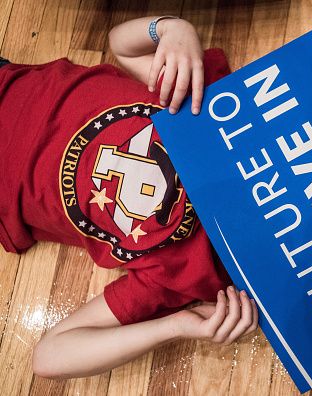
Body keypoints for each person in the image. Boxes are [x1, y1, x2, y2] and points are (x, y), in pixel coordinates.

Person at [0, 16, 259, 379]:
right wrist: (172, 29)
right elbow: (121, 44)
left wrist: (176, 326)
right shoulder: (222, 114)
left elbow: (48, 357)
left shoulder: (193, 275)